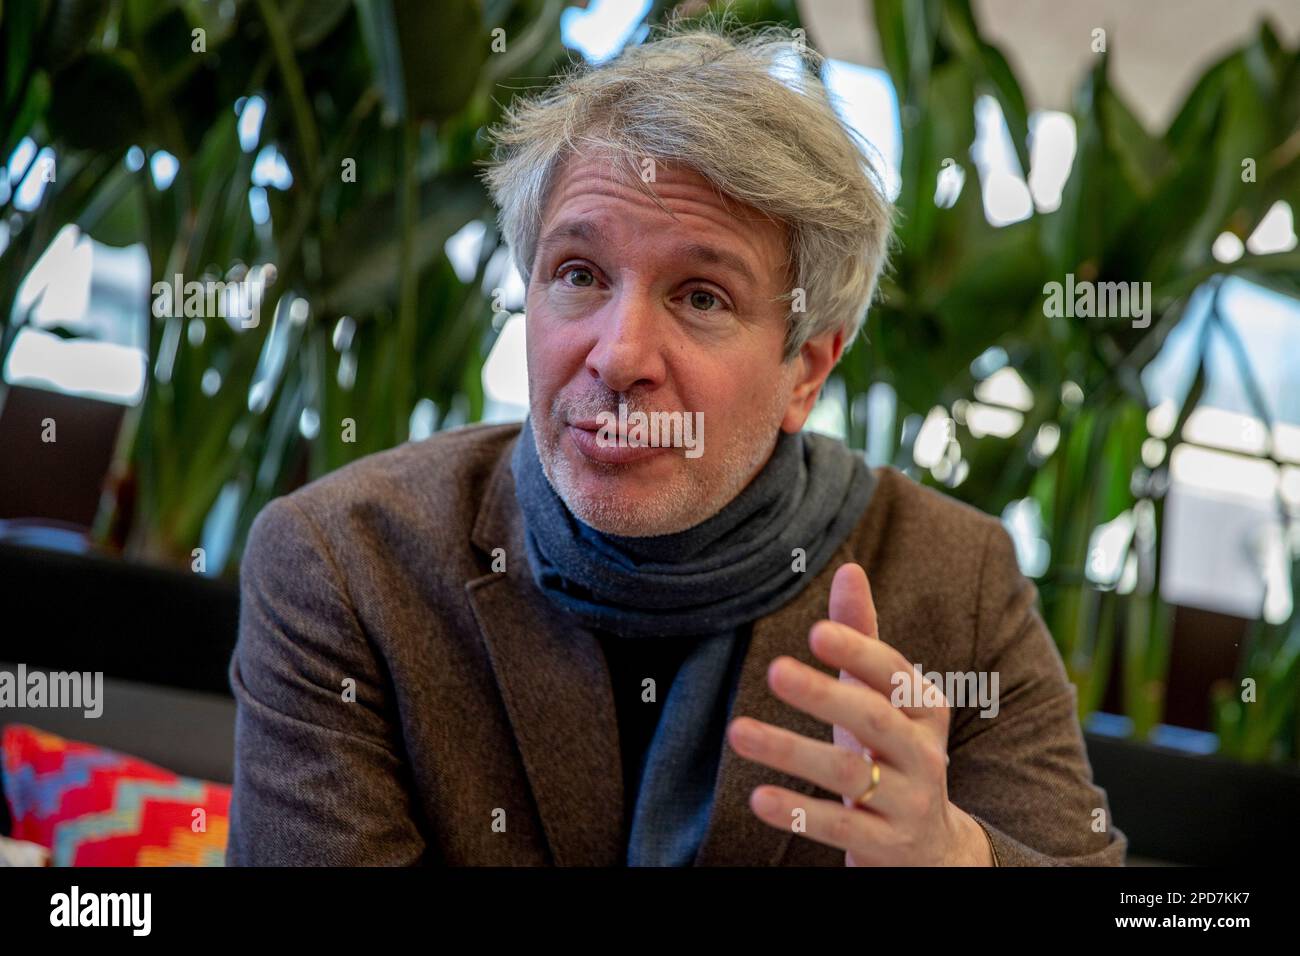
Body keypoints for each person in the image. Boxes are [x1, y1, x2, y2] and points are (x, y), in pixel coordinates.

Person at [226, 22, 1126, 867]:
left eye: (702, 296)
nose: (618, 357)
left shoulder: (955, 581)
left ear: (806, 370)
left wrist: (958, 857)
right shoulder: (344, 565)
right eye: (577, 274)